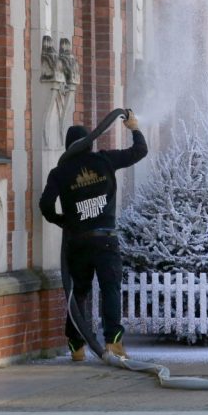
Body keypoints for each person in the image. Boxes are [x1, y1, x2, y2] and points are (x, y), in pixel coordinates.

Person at [40, 110, 147, 361]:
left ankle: (76, 345)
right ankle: (113, 342)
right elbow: (139, 151)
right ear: (90, 142)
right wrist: (134, 127)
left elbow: (45, 205)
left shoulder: (59, 172)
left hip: (78, 241)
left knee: (78, 292)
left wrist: (63, 221)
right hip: (105, 239)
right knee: (110, 288)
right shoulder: (104, 160)